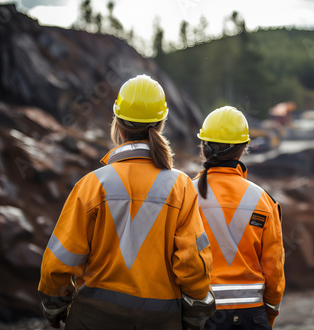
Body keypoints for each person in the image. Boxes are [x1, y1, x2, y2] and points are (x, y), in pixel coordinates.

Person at [38, 74, 215, 330]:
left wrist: (55, 307)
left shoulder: (92, 184)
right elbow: (192, 265)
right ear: (161, 124)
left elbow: (58, 262)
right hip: (161, 320)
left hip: (93, 319)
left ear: (117, 125)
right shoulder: (181, 187)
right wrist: (194, 314)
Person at [193, 106, 285, 329]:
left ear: (204, 148)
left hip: (202, 313)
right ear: (244, 148)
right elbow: (273, 267)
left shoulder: (186, 195)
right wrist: (268, 314)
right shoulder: (263, 201)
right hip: (251, 317)